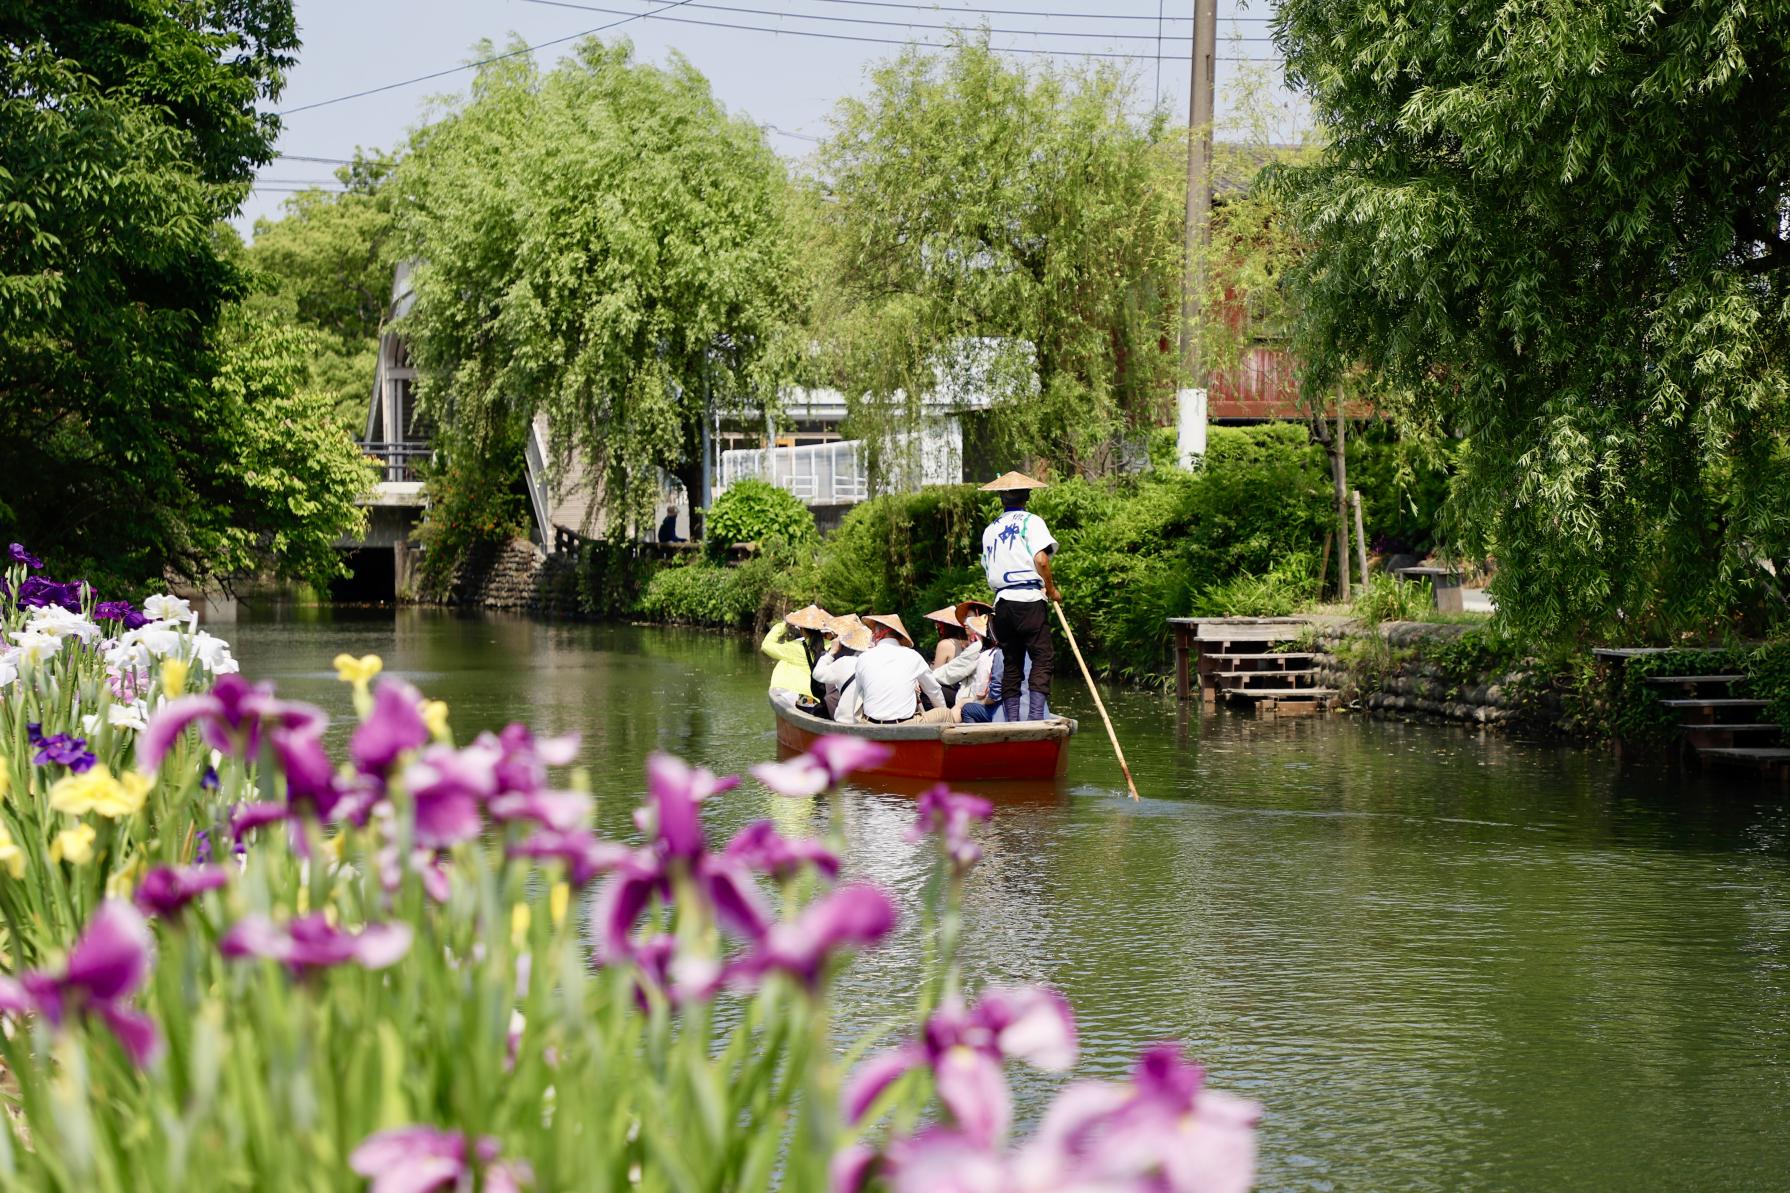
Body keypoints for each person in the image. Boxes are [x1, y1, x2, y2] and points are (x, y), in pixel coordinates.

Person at [979, 471, 1058, 721]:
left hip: (1002, 604)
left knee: (1012, 661)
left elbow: (987, 566)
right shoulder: (1032, 522)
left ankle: (1012, 722)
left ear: (1002, 498)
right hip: (1029, 600)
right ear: (1027, 497)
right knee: (1043, 657)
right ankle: (1035, 718)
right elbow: (1041, 559)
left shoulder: (989, 530)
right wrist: (1052, 589)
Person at [854, 614, 951, 725]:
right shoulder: (912, 656)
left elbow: (859, 693)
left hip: (871, 724)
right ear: (899, 635)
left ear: (878, 633)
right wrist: (942, 710)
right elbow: (934, 690)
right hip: (906, 725)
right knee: (946, 713)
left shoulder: (863, 658)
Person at [762, 604, 832, 699]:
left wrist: (784, 625)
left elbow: (766, 646)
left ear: (802, 629)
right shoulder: (832, 645)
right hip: (827, 696)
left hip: (807, 696)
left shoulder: (795, 647)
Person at [813, 614, 871, 721]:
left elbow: (817, 674)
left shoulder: (842, 661)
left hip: (848, 719)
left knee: (830, 697)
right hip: (870, 715)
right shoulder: (874, 657)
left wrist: (831, 653)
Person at [933, 602, 991, 709]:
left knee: (927, 691)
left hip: (970, 697)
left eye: (969, 618)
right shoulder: (970, 643)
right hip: (977, 694)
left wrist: (924, 679)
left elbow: (948, 673)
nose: (965, 622)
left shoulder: (978, 646)